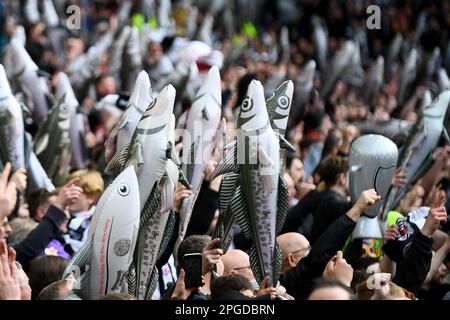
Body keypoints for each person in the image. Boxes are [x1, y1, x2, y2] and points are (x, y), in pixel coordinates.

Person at [62, 170, 104, 255]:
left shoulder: (95, 223)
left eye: (75, 192)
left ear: (91, 197)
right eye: (69, 189)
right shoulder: (59, 208)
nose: (69, 195)